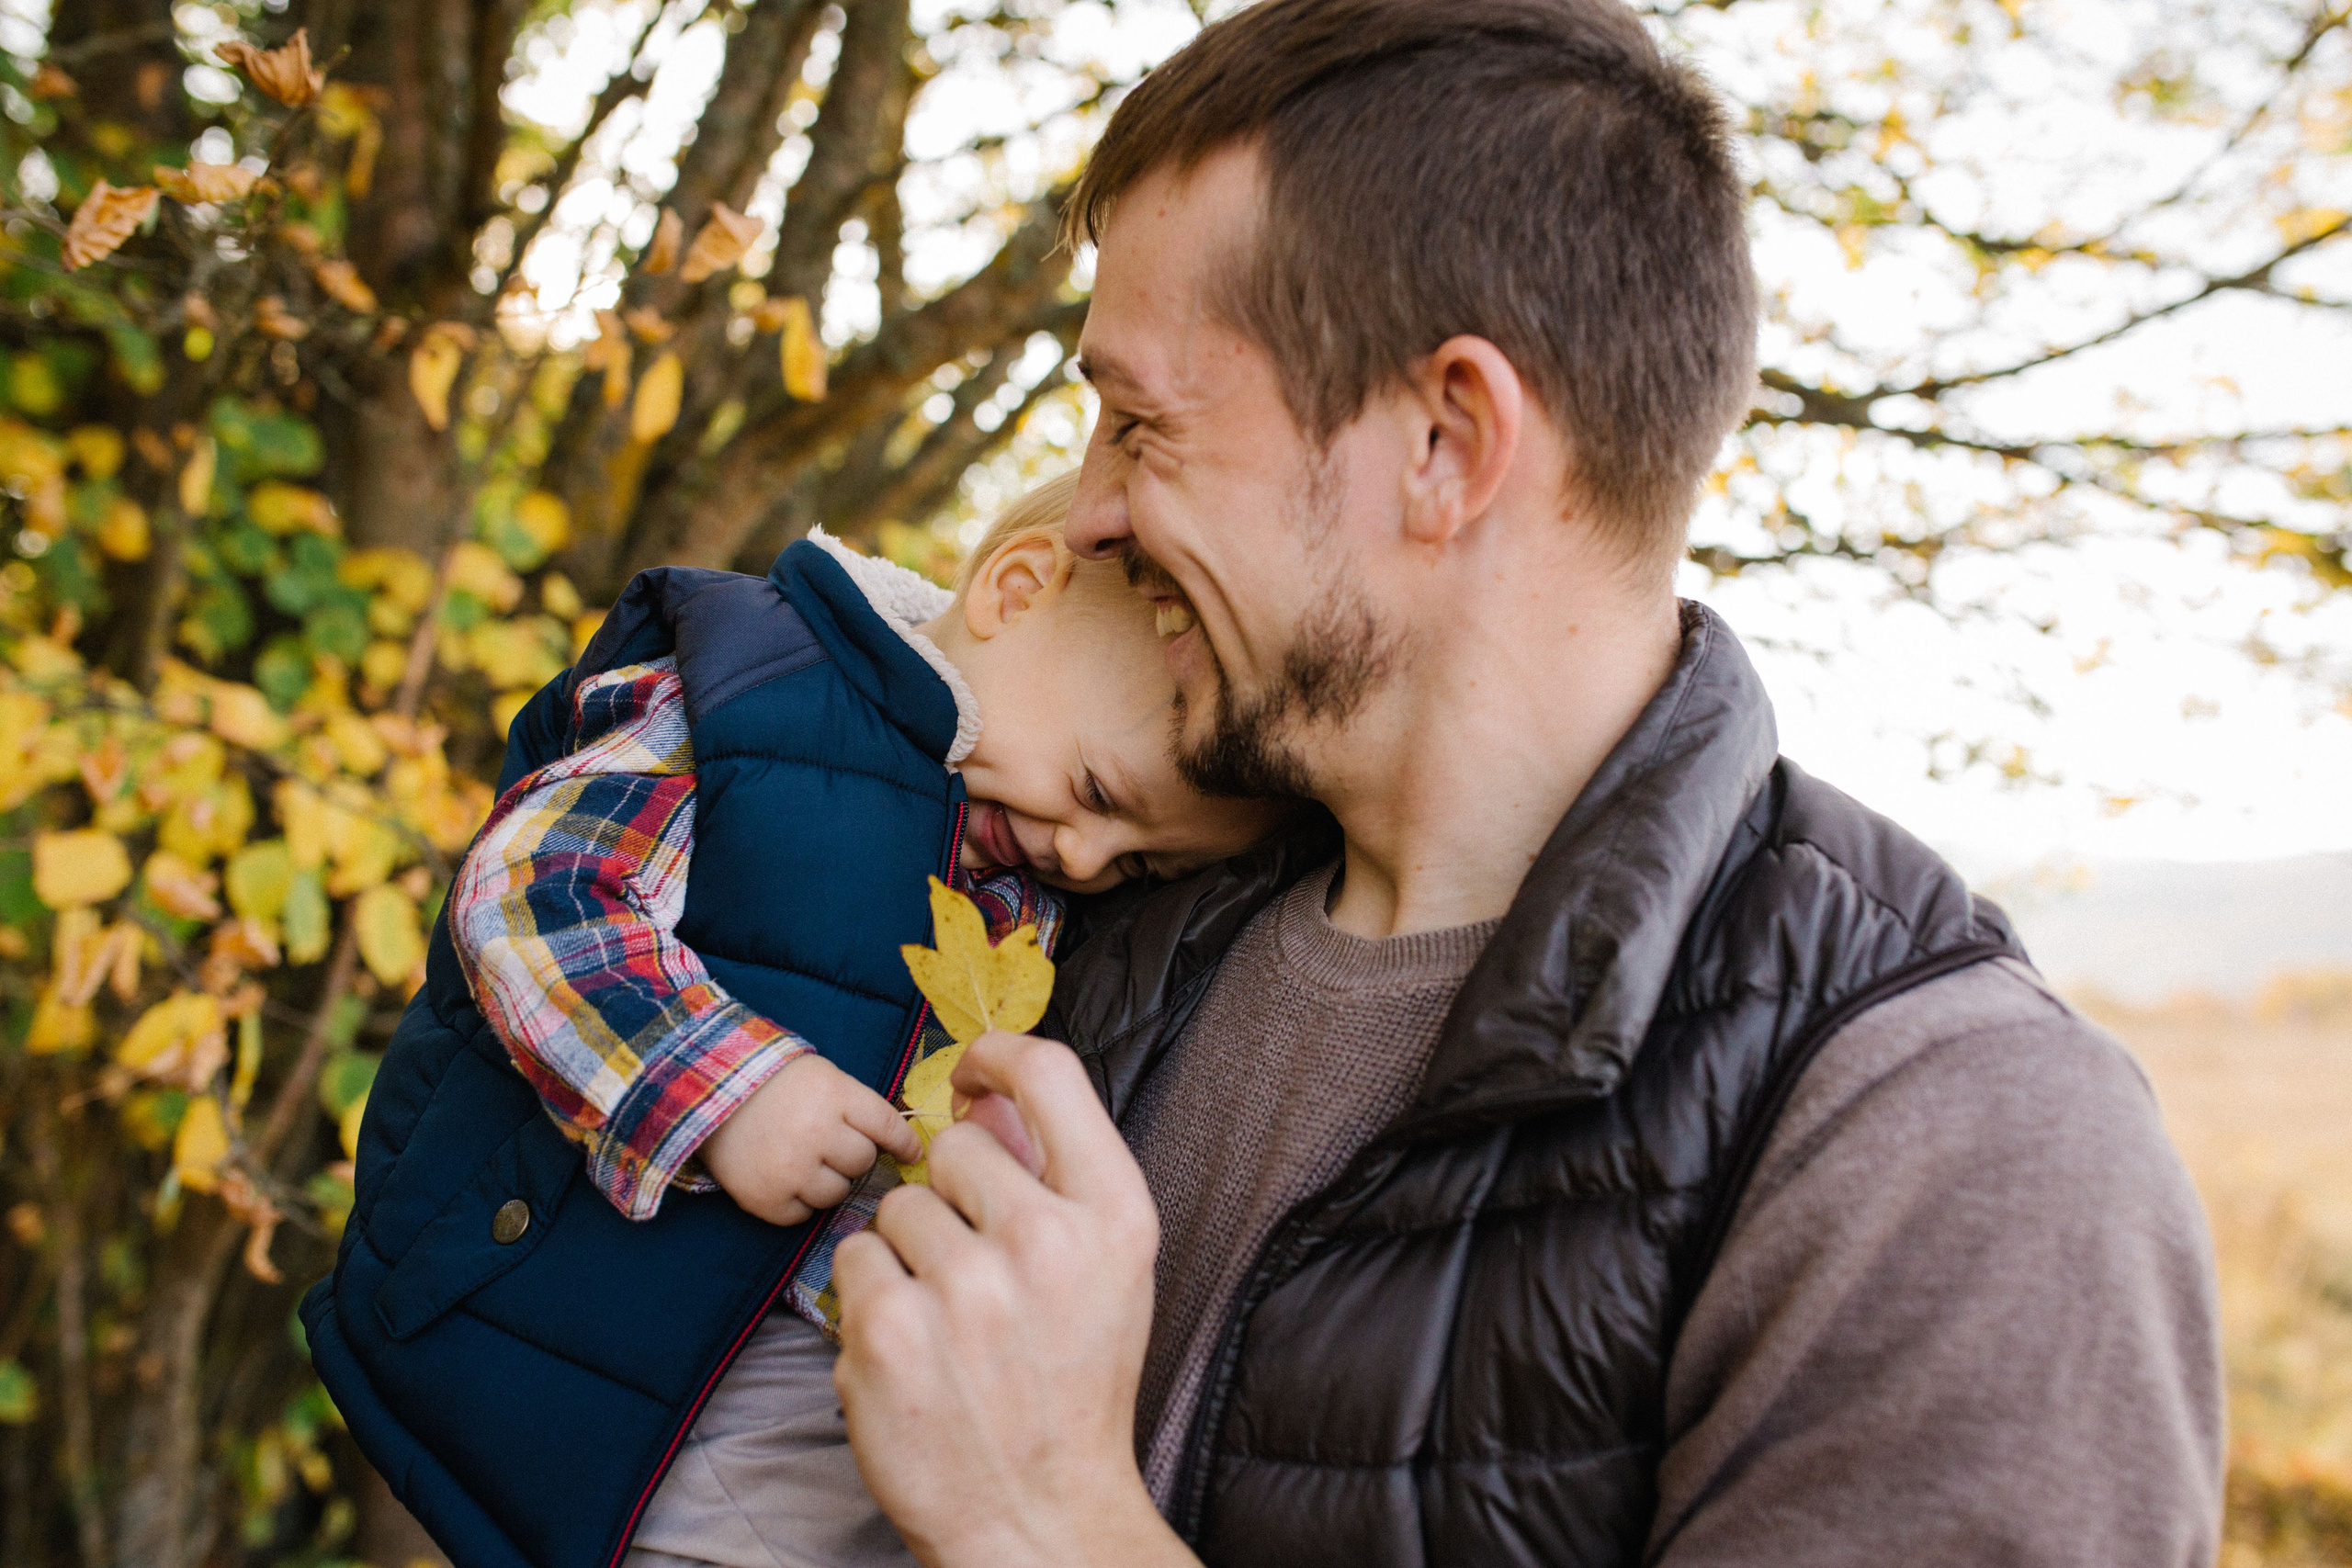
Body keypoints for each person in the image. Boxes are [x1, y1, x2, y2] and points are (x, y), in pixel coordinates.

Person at [827, 2, 2226, 1565]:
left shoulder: (1950, 1143)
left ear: (1447, 440)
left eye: (1143, 426)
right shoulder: (1091, 905)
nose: (1086, 515)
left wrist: (1049, 1523)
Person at [300, 475, 1287, 1568]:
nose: (1087, 859)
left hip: (790, 1376)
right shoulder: (755, 699)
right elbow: (533, 895)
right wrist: (724, 1087)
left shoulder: (1018, 856)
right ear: (1013, 592)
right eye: (1101, 793)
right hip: (569, 1314)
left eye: (1141, 860)